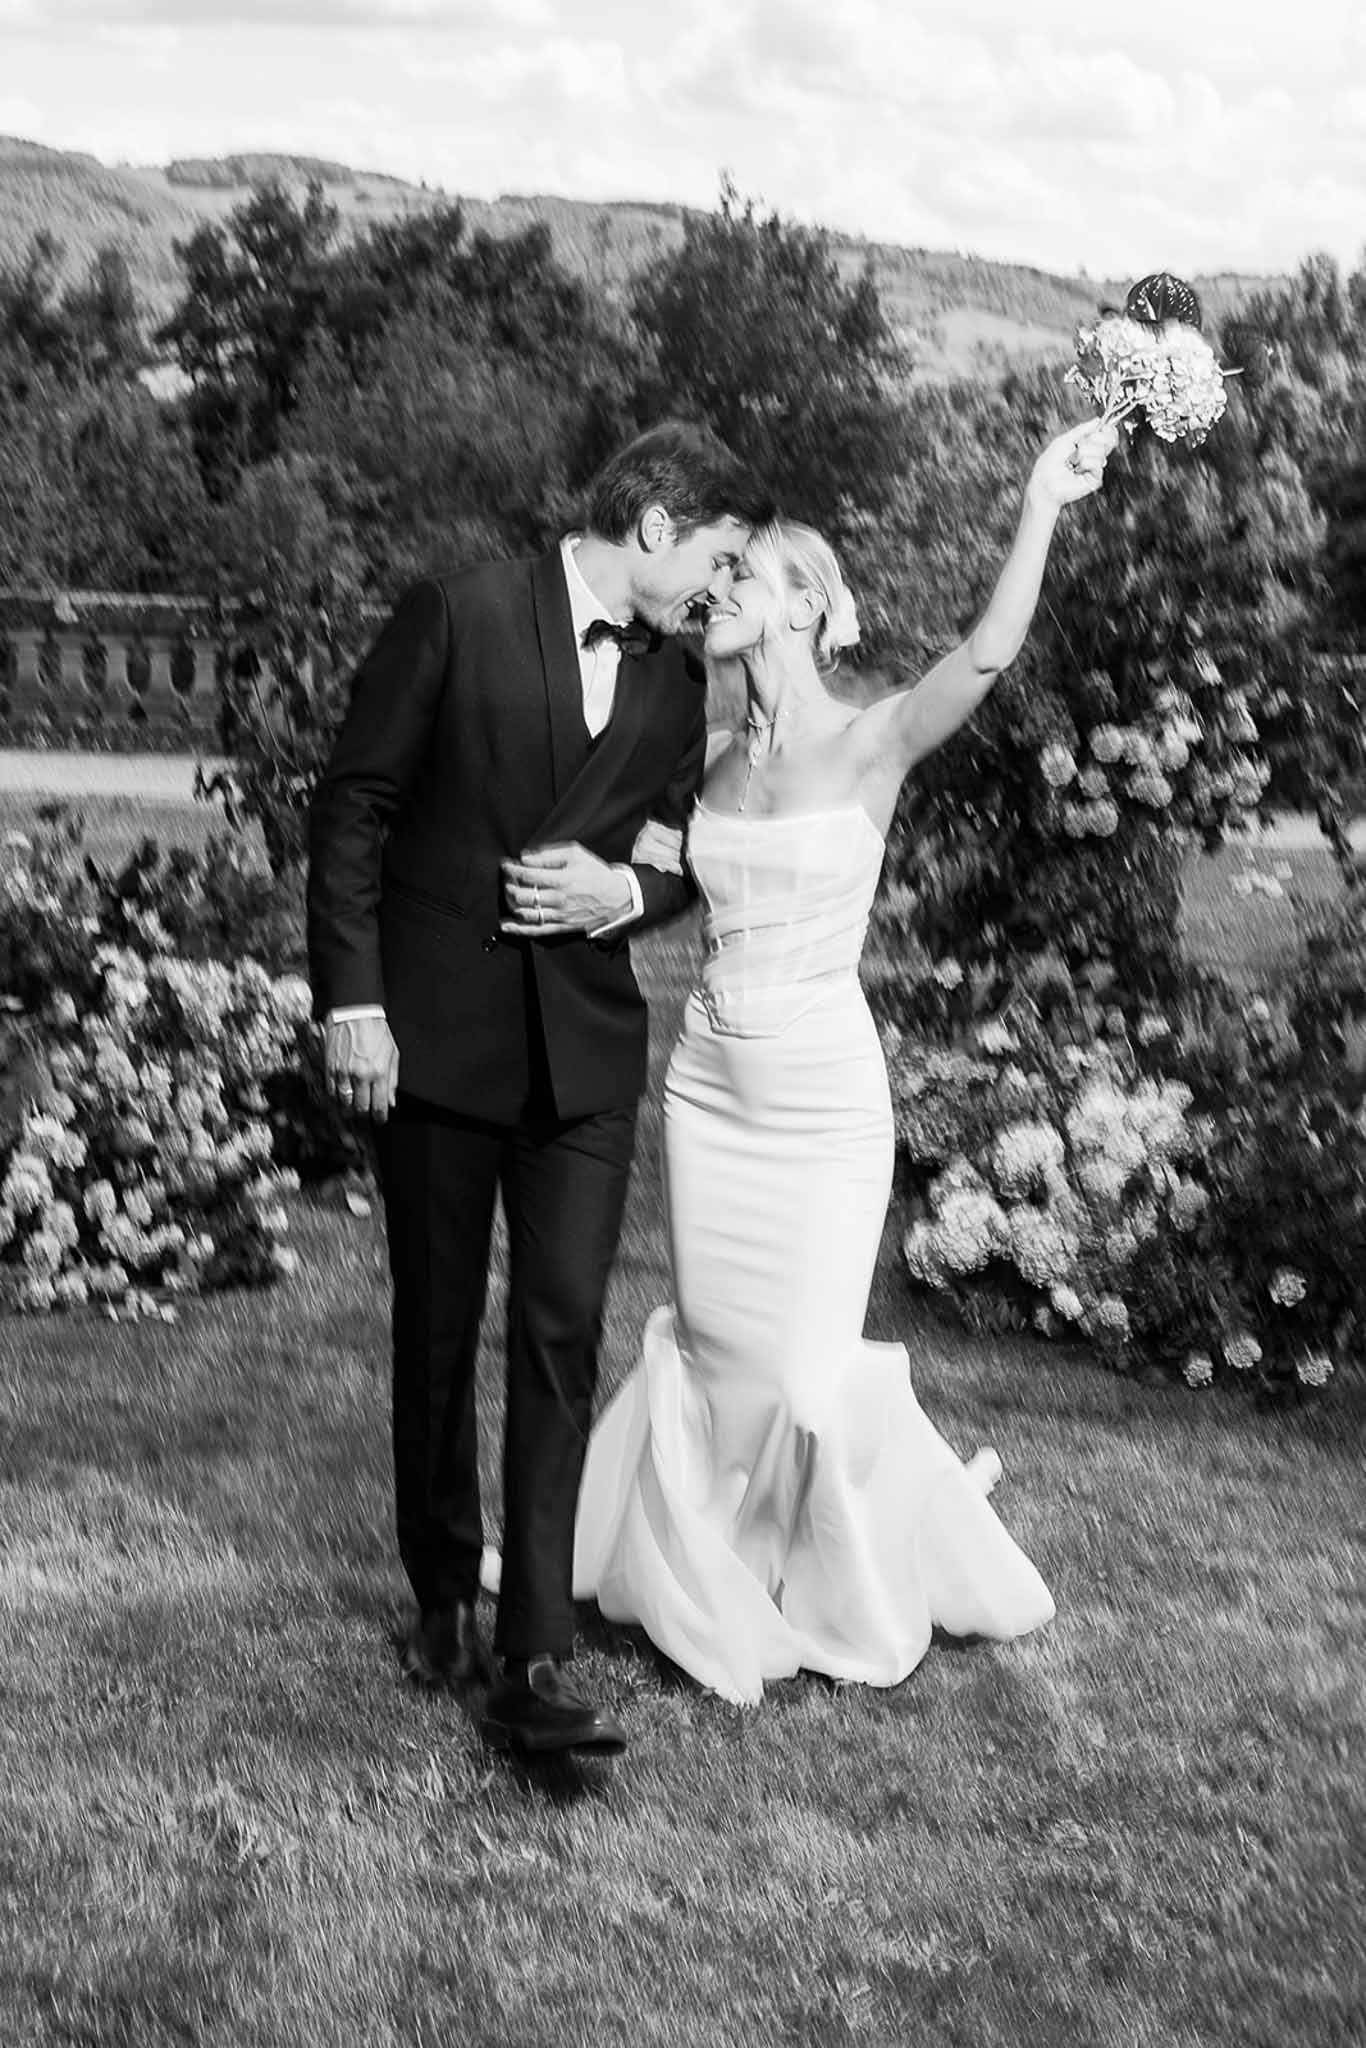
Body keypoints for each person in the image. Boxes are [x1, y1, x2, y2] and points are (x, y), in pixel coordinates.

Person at [567, 418, 1117, 1707]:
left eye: (742, 577)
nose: (717, 596)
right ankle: (707, 1567)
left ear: (806, 603)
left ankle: (837, 1581)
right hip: (706, 1091)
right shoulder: (705, 761)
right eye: (713, 581)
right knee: (716, 1357)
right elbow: (647, 868)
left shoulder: (872, 742)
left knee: (806, 1376)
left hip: (818, 1107)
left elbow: (987, 651)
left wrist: (1040, 497)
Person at [306, 421, 775, 1755]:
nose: (722, 590)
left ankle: (533, 1656)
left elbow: (680, 857)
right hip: (437, 1046)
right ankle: (444, 1593)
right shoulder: (454, 616)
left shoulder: (679, 682)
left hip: (582, 1058)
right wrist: (354, 1003)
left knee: (563, 1330)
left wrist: (618, 890)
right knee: (439, 1330)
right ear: (652, 525)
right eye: (719, 558)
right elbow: (350, 813)